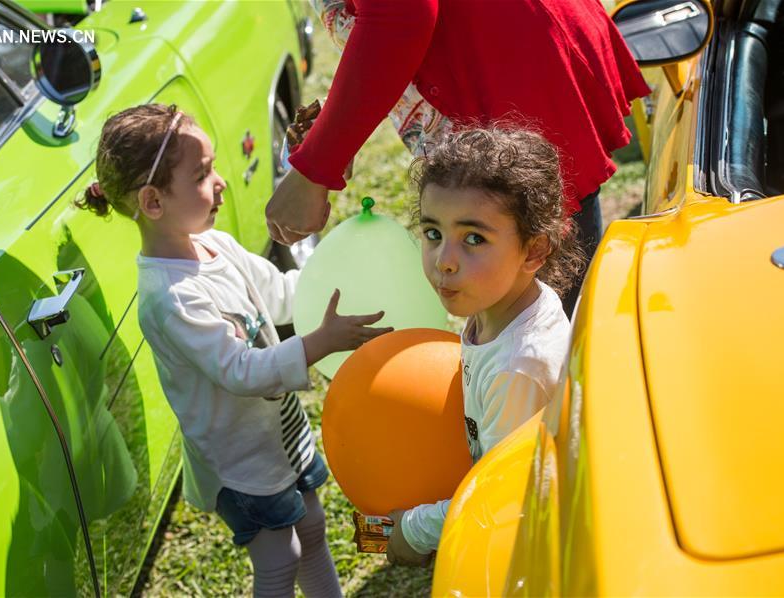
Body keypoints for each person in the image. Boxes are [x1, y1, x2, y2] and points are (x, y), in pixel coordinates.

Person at [77, 103, 392, 597]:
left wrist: (339, 282)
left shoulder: (216, 245)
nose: (221, 181)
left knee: (310, 532)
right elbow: (240, 371)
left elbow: (284, 292)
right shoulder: (170, 298)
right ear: (153, 201)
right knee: (277, 559)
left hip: (280, 435)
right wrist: (318, 343)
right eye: (202, 174)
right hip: (239, 462)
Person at [266, 0, 651, 314]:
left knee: (538, 322)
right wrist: (338, 131)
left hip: (506, 64)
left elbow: (400, 16)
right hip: (503, 50)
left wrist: (315, 170)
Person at [384, 126, 581, 565]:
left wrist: (413, 531)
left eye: (473, 239)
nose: (444, 260)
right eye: (433, 233)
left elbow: (501, 498)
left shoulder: (519, 368)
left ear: (535, 251)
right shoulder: (505, 303)